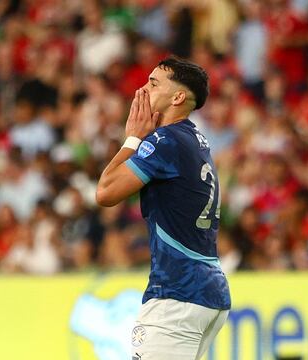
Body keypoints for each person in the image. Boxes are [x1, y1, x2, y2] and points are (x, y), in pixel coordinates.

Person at [96, 57, 231, 360]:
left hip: (177, 295)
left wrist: (132, 137)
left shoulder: (164, 141)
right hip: (208, 290)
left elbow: (105, 192)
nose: (142, 90)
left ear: (178, 97)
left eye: (154, 83)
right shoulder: (195, 140)